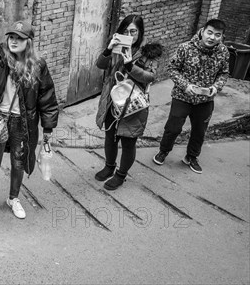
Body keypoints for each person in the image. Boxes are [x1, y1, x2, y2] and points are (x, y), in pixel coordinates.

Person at [0, 21, 59, 235]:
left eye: (20, 37)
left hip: (22, 124)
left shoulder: (38, 65)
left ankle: (13, 199)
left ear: (29, 42)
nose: (14, 41)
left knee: (18, 164)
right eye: (11, 37)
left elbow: (47, 98)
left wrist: (48, 130)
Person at [94, 14, 162, 190]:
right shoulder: (117, 46)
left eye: (133, 31)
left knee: (128, 140)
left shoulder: (149, 53)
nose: (130, 35)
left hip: (133, 104)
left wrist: (130, 65)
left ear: (140, 32)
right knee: (110, 136)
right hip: (112, 99)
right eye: (126, 31)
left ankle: (121, 175)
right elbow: (100, 65)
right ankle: (109, 166)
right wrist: (108, 50)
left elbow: (150, 77)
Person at [153, 19, 229, 174]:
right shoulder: (185, 48)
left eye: (217, 35)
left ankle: (191, 157)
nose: (212, 37)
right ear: (202, 31)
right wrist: (185, 85)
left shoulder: (223, 52)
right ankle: (163, 151)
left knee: (199, 131)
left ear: (221, 36)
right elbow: (172, 68)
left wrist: (216, 87)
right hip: (182, 96)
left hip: (206, 100)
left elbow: (224, 73)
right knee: (173, 128)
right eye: (209, 32)